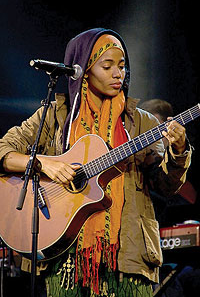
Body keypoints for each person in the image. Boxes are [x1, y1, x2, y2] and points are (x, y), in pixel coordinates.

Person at [0, 28, 192, 297]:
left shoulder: (143, 123)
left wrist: (180, 150)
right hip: (66, 259)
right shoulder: (55, 116)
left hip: (128, 261)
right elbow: (3, 151)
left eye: (123, 66)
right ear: (84, 70)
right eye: (108, 65)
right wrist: (45, 164)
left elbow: (167, 186)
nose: (118, 73)